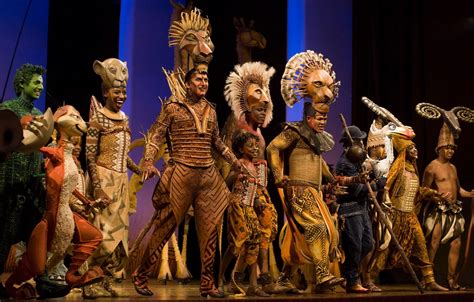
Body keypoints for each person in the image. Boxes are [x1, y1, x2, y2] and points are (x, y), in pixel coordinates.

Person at [132, 66, 242, 298]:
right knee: (165, 226)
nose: (203, 82)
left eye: (206, 79)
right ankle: (141, 275)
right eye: (198, 79)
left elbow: (218, 143)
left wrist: (235, 162)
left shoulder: (211, 110)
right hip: (181, 171)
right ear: (188, 83)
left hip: (207, 175)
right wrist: (148, 162)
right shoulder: (172, 108)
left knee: (211, 229)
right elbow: (155, 136)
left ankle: (207, 284)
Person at [267, 50, 348, 293]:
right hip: (298, 189)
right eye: (319, 118)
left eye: (325, 118)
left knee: (300, 233)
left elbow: (319, 163)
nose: (323, 121)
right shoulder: (295, 131)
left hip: (313, 192)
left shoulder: (317, 139)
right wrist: (278, 175)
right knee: (316, 227)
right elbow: (272, 148)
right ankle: (322, 274)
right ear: (309, 117)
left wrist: (333, 179)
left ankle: (284, 277)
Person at [219, 61, 287, 294]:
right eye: (258, 97)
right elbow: (231, 176)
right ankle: (228, 278)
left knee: (261, 234)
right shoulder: (240, 130)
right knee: (240, 241)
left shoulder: (257, 135)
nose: (264, 102)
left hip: (256, 196)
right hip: (242, 201)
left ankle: (258, 280)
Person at [85, 58, 141, 298]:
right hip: (104, 179)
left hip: (120, 182)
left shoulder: (125, 118)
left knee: (119, 237)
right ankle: (89, 283)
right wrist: (97, 188)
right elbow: (89, 155)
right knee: (102, 235)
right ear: (106, 91)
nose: (121, 96)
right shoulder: (99, 118)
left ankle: (105, 279)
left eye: (124, 92)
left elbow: (123, 153)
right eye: (117, 91)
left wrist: (138, 170)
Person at [372, 134, 449, 291]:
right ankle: (370, 278)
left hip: (410, 215)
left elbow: (416, 191)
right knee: (385, 248)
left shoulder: (414, 169)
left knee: (421, 244)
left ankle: (429, 280)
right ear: (405, 151)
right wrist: (385, 206)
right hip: (395, 214)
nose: (416, 150)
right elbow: (386, 187)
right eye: (412, 148)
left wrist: (432, 194)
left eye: (415, 147)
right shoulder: (397, 167)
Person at [0, 64, 46, 279]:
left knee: (32, 232)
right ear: (22, 83)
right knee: (4, 233)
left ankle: (38, 276)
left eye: (41, 82)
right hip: (8, 182)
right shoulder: (7, 109)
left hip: (31, 184)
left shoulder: (38, 114)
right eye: (36, 82)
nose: (41, 86)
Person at [422, 123, 474, 290]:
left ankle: (451, 279)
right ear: (440, 149)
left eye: (453, 149)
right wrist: (436, 195)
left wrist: (471, 194)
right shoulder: (432, 167)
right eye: (448, 148)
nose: (451, 151)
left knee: (456, 243)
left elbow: (459, 190)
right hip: (439, 210)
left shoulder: (453, 168)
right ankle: (427, 278)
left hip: (454, 210)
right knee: (434, 241)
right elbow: (422, 191)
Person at [221, 130, 270, 297]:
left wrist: (257, 201)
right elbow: (225, 183)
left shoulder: (253, 166)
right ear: (241, 149)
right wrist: (233, 175)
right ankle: (217, 277)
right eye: (250, 146)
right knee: (235, 244)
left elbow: (254, 189)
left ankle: (253, 286)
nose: (255, 148)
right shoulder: (239, 164)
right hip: (237, 206)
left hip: (249, 208)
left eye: (256, 145)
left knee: (254, 242)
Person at [335, 125, 378, 293]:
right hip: (350, 210)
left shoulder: (357, 161)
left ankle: (349, 274)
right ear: (352, 143)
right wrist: (376, 186)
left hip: (362, 208)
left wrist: (371, 183)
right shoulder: (345, 163)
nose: (362, 144)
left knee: (368, 244)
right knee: (354, 245)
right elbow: (358, 190)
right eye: (359, 141)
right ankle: (352, 279)